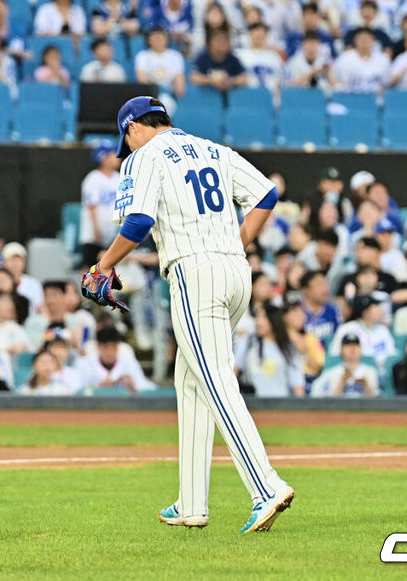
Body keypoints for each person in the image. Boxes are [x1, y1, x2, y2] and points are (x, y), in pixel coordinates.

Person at [86, 96, 294, 532]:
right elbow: (266, 194)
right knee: (191, 381)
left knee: (215, 381)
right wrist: (237, 244)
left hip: (194, 272)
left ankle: (266, 486)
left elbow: (138, 221)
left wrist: (105, 264)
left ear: (132, 128)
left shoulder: (144, 155)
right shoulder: (213, 149)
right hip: (236, 272)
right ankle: (192, 502)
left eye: (126, 139)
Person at [236, 304, 305, 397]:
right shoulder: (248, 342)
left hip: (280, 405)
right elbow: (235, 371)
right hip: (252, 405)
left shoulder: (288, 348)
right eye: (257, 317)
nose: (258, 322)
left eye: (264, 317)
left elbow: (298, 385)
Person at [80, 141, 121, 268]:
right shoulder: (93, 178)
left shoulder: (119, 177)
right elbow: (92, 206)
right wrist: (96, 230)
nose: (117, 157)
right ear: (103, 157)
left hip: (113, 234)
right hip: (93, 236)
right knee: (91, 270)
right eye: (113, 154)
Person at [77, 327, 153, 393]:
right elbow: (77, 391)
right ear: (98, 347)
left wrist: (132, 387)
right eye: (105, 347)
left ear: (118, 347)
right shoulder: (85, 364)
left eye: (113, 347)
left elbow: (146, 388)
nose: (109, 353)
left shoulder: (130, 363)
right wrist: (98, 388)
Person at [328, 294, 396, 369]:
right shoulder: (347, 329)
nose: (380, 309)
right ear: (365, 312)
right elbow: (334, 355)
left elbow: (392, 354)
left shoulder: (383, 330)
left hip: (382, 373)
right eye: (376, 306)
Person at [311, 333, 379, 397]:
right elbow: (325, 401)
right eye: (348, 345)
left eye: (355, 345)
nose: (352, 348)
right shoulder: (331, 373)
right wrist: (342, 382)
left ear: (361, 349)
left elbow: (377, 401)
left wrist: (365, 384)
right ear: (341, 350)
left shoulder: (370, 372)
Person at [330, 27, 389, 94]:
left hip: (375, 96)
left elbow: (387, 82)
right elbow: (332, 75)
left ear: (373, 40)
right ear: (355, 40)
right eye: (361, 38)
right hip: (351, 97)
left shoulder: (382, 59)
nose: (364, 41)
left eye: (367, 38)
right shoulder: (345, 58)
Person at [190, 29, 247, 95]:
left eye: (224, 42)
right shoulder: (203, 57)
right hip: (205, 96)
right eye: (218, 41)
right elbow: (194, 77)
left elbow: (244, 78)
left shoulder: (232, 59)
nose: (221, 45)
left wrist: (231, 81)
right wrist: (212, 81)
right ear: (210, 43)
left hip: (229, 96)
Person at [135, 28, 186, 100]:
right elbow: (142, 79)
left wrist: (175, 92)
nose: (158, 41)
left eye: (160, 38)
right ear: (149, 41)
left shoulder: (175, 56)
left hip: (169, 95)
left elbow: (179, 82)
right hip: (149, 94)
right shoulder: (142, 55)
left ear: (166, 40)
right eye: (155, 39)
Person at [237, 22, 283, 94]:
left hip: (270, 97)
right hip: (246, 95)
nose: (259, 34)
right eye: (256, 31)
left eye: (262, 32)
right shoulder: (239, 54)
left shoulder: (274, 56)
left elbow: (281, 79)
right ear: (250, 34)